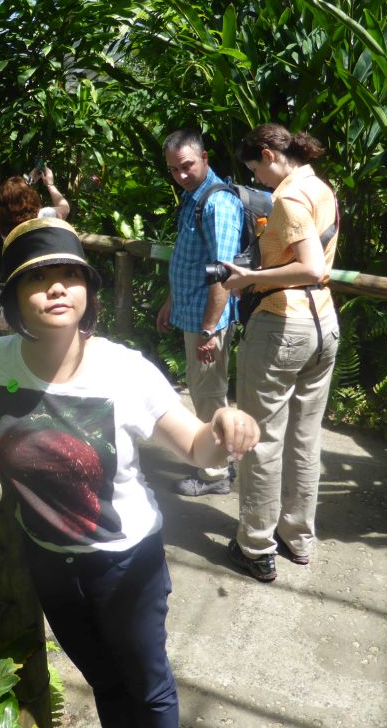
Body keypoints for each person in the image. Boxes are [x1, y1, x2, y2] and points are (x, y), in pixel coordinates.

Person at [0, 217, 259, 728]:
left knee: (147, 685)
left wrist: (224, 427)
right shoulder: (0, 362)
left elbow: (195, 446)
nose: (55, 287)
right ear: (13, 297)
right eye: (37, 277)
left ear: (87, 292)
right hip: (49, 561)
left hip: (125, 564)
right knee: (103, 678)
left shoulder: (125, 370)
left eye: (69, 276)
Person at [220, 123, 340, 582]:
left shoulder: (288, 197)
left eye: (256, 169)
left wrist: (248, 279)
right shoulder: (320, 187)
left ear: (269, 154)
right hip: (323, 325)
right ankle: (298, 536)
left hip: (283, 323)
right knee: (305, 437)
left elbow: (309, 267)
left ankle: (255, 545)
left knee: (261, 437)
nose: (259, 181)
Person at [159, 129, 244, 497]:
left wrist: (210, 330)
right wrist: (170, 300)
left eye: (186, 166)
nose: (180, 175)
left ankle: (215, 473)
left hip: (207, 320)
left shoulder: (216, 204)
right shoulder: (193, 196)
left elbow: (222, 274)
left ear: (205, 158)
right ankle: (217, 460)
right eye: (173, 169)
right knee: (203, 390)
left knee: (209, 395)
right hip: (192, 310)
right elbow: (190, 261)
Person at [0, 167, 70, 239]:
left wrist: (29, 181)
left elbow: (15, 197)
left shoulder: (5, 231)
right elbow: (65, 208)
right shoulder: (42, 216)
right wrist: (50, 185)